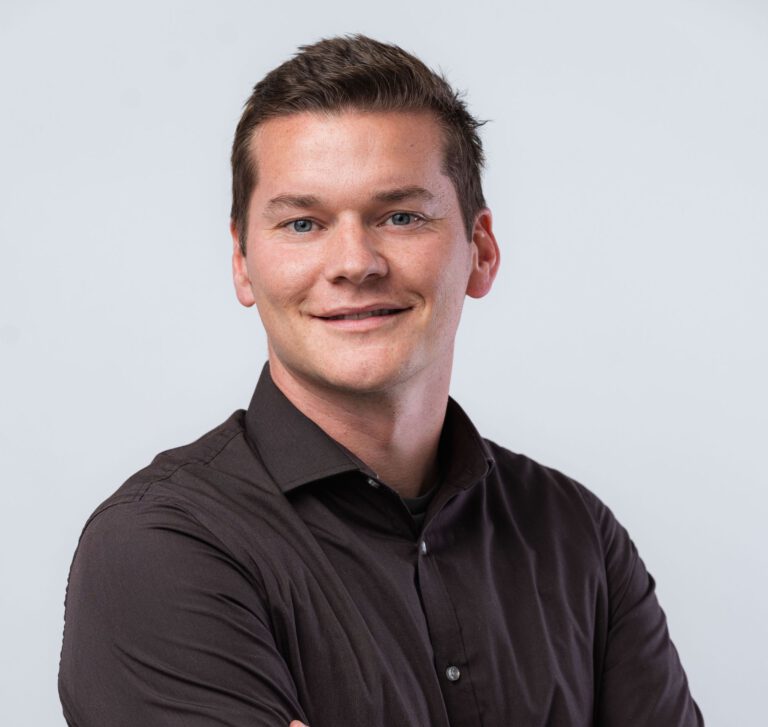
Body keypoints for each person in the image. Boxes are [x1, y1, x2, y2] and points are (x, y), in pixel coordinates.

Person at [58, 34, 704, 727]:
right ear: (243, 263)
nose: (355, 262)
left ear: (481, 250)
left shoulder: (576, 534)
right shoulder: (162, 547)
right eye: (302, 223)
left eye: (400, 216)